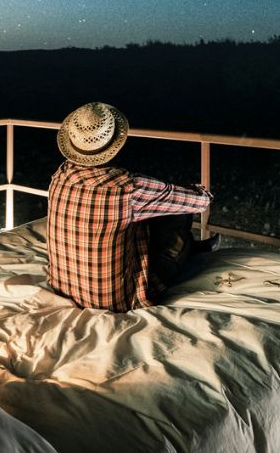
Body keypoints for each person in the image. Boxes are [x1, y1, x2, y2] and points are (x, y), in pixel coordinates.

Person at [45, 102, 216, 311]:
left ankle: (189, 247)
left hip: (63, 289)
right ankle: (188, 249)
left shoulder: (59, 177)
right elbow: (201, 201)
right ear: (116, 142)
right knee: (176, 213)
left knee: (139, 214)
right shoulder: (127, 187)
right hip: (114, 301)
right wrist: (180, 189)